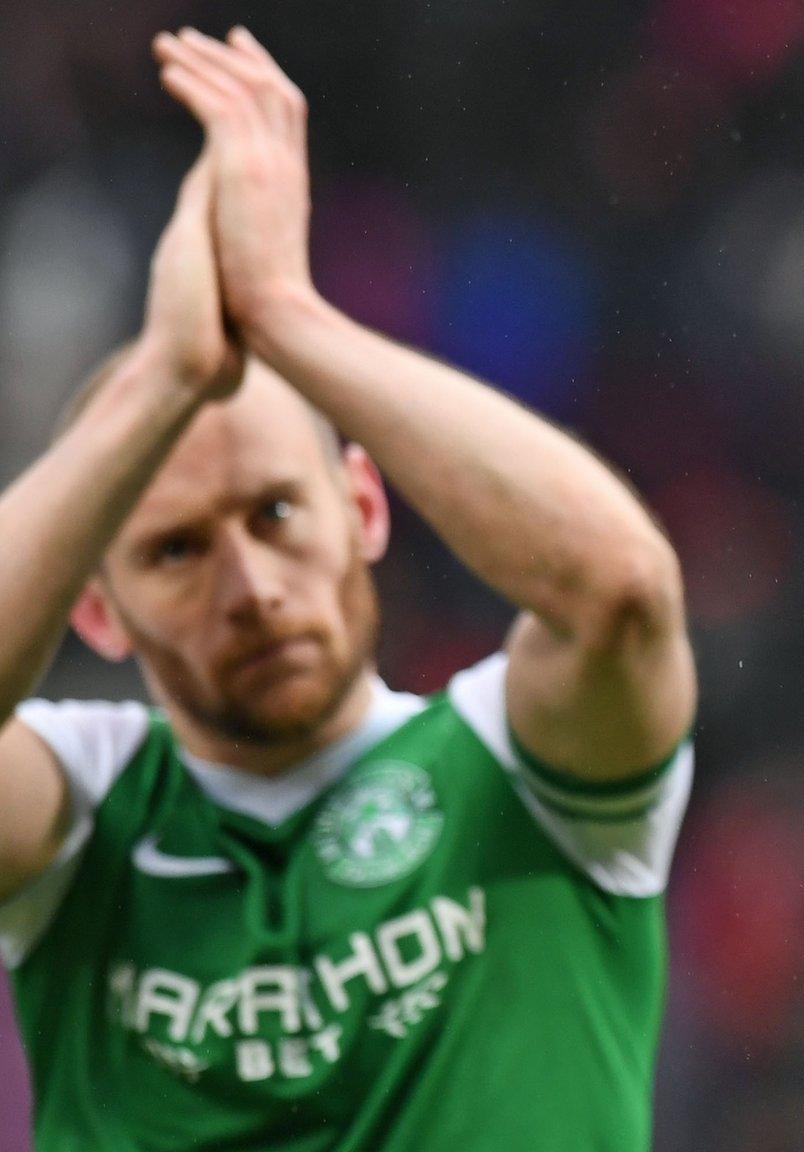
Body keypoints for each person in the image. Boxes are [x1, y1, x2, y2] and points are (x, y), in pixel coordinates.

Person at [0, 27, 696, 1151]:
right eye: (174, 551)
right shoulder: (80, 818)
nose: (250, 586)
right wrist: (162, 381)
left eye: (277, 512)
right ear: (94, 609)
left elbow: (618, 587)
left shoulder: (517, 774)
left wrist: (288, 314)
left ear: (364, 509)